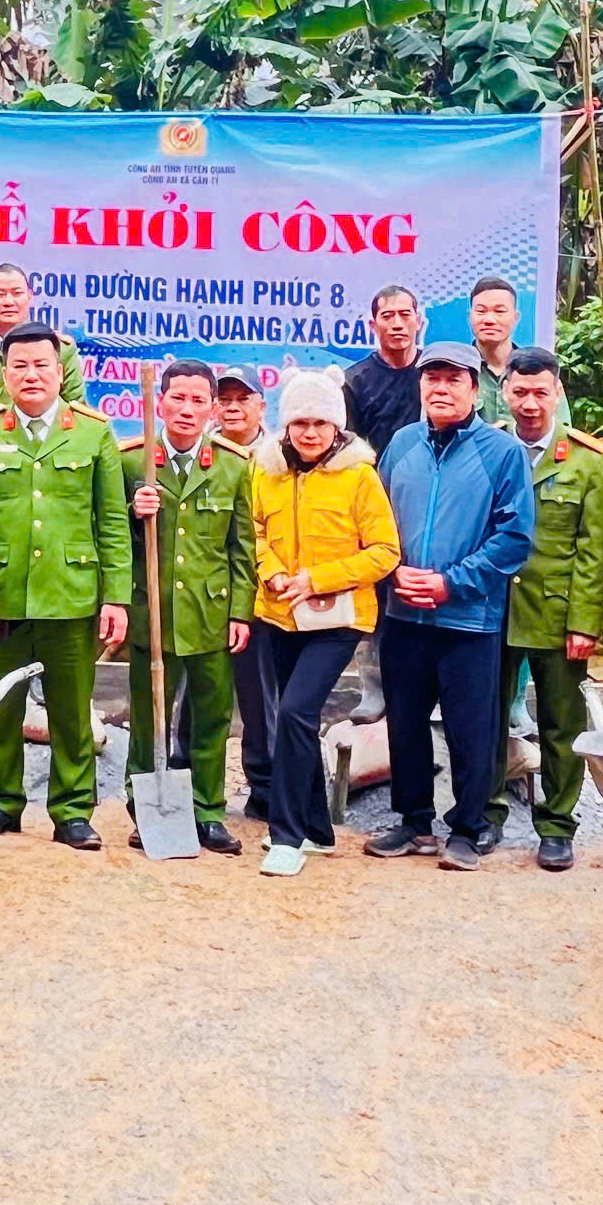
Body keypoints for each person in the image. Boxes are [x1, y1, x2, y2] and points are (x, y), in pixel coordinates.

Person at [0, 321, 129, 850]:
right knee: (0, 708)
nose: (31, 375)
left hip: (71, 595)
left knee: (72, 712)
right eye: (20, 365)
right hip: (2, 594)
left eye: (41, 364)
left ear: (61, 370)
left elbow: (112, 521)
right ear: (3, 373)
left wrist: (115, 596)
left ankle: (73, 810)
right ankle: (1, 802)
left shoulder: (94, 433)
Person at [366, 341, 534, 869]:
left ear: (474, 389)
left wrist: (450, 583)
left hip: (469, 618)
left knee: (470, 727)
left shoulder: (502, 452)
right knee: (406, 722)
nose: (440, 389)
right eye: (431, 379)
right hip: (403, 614)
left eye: (452, 380)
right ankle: (413, 822)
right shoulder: (401, 444)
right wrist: (393, 572)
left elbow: (513, 538)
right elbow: (376, 524)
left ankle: (469, 827)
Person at [248, 368, 398, 876]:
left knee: (292, 713)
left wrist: (319, 579)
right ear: (285, 427)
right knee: (298, 720)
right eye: (299, 423)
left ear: (337, 427)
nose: (309, 433)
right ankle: (318, 830)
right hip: (280, 614)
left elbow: (384, 553)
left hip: (339, 619)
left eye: (320, 423)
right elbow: (255, 532)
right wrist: (272, 574)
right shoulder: (264, 470)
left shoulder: (360, 476)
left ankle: (284, 836)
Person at [483, 348, 603, 872]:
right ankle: (485, 815)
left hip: (557, 615)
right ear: (506, 393)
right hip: (492, 608)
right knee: (484, 719)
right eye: (520, 392)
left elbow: (593, 547)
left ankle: (557, 825)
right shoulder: (489, 447)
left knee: (561, 725)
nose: (530, 403)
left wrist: (585, 621)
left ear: (557, 393)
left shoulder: (587, 459)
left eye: (541, 392)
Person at [122, 360, 256, 858]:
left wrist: (240, 612)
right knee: (148, 715)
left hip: (209, 614)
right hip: (151, 613)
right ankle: (145, 809)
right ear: (161, 402)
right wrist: (136, 514)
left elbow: (243, 547)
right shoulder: (132, 463)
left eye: (200, 400)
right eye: (178, 398)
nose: (187, 409)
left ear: (213, 409)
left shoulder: (233, 465)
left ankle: (207, 811)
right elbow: (114, 540)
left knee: (212, 716)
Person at [210, 365, 279, 818]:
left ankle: (265, 789)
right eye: (226, 400)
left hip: (262, 596)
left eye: (243, 399)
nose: (233, 408)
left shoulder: (279, 457)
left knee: (259, 699)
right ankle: (195, 788)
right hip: (205, 595)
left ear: (261, 406)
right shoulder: (200, 453)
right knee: (201, 699)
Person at [0, 263, 86, 415]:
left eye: (17, 293)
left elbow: (75, 412)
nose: (9, 302)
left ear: (30, 297)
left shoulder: (61, 349)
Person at [341, 283, 426, 459]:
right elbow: (348, 445)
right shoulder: (353, 381)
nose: (397, 324)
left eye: (405, 315)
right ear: (373, 326)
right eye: (387, 316)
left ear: (418, 322)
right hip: (373, 479)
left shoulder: (434, 372)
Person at [468, 276, 520, 423]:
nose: (489, 320)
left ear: (515, 318)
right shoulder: (457, 372)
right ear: (470, 317)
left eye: (499, 311)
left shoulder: (536, 371)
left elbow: (560, 436)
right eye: (481, 311)